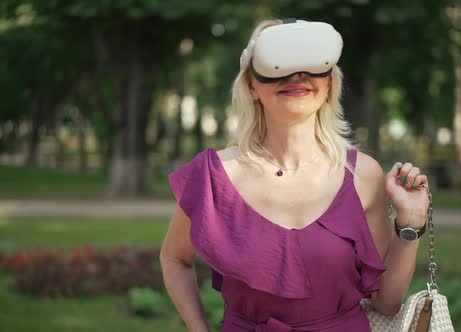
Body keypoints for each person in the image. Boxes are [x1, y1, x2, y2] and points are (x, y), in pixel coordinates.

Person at [160, 18, 430, 332]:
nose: (297, 75)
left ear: (329, 83)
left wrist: (410, 223)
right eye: (279, 65)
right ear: (252, 86)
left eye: (310, 64)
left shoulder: (362, 176)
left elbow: (386, 302)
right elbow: (174, 258)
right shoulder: (213, 177)